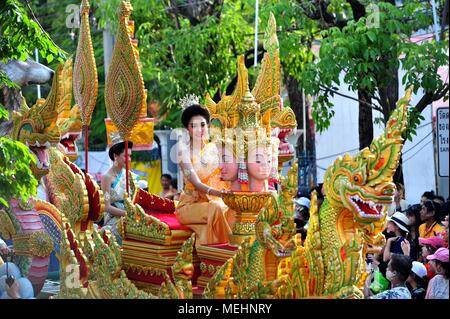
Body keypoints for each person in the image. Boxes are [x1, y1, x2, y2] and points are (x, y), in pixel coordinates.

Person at [175, 101, 233, 246]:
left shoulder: (214, 148)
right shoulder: (184, 153)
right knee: (217, 208)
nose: (199, 129)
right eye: (193, 126)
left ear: (207, 126)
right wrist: (219, 194)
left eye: (202, 125)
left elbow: (225, 174)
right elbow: (196, 183)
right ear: (187, 129)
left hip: (214, 199)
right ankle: (228, 249)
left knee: (234, 209)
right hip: (191, 204)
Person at [101, 134, 137, 243]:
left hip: (132, 216)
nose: (129, 159)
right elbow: (106, 206)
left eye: (130, 156)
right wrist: (127, 214)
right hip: (114, 219)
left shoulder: (130, 175)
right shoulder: (107, 177)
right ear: (116, 156)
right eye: (126, 156)